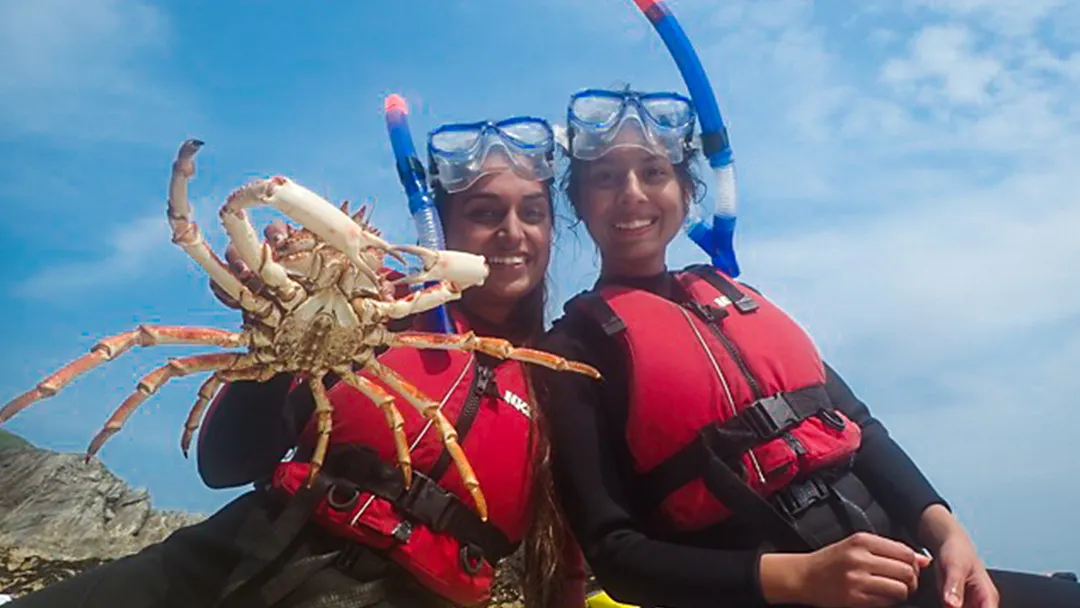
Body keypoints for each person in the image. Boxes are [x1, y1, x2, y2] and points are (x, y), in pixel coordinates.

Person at [8, 115, 591, 608]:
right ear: (440, 228)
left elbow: (568, 556)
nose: (512, 233)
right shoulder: (380, 302)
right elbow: (225, 464)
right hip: (246, 555)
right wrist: (272, 315)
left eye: (532, 214)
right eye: (486, 213)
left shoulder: (558, 375)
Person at [532, 86, 1080, 608]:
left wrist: (946, 530)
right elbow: (616, 554)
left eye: (654, 172)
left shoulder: (737, 300)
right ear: (578, 202)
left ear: (686, 190)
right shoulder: (573, 350)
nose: (632, 193)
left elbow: (858, 426)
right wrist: (802, 578)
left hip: (902, 575)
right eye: (606, 178)